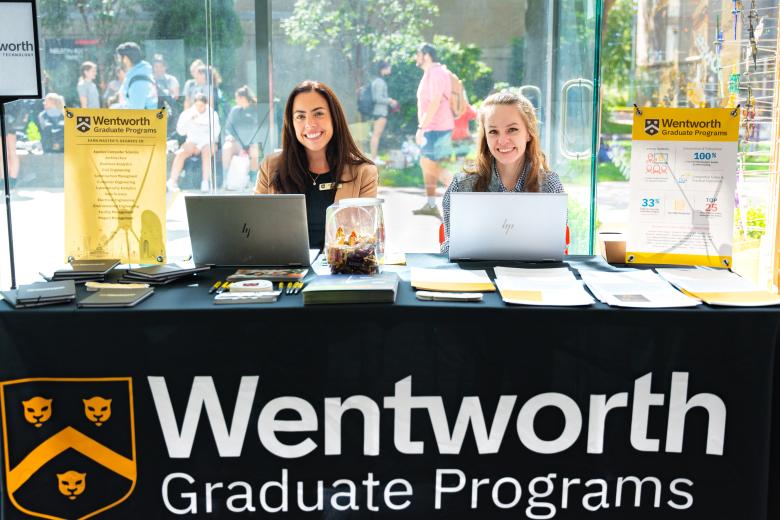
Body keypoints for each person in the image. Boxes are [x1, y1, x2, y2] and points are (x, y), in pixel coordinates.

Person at [254, 80, 377, 249]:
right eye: (300, 116)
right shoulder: (271, 166)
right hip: (286, 269)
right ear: (291, 123)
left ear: (334, 117)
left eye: (318, 114)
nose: (310, 124)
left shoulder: (364, 173)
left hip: (341, 269)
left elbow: (366, 240)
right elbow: (253, 229)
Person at [440, 91, 564, 254]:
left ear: (528, 133)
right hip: (479, 278)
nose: (502, 141)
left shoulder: (550, 186)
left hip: (533, 277)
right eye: (493, 131)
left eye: (512, 129)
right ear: (485, 137)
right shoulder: (461, 187)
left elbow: (556, 250)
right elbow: (451, 247)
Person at [413, 43, 454, 219]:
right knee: (428, 167)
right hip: (434, 127)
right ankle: (431, 204)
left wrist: (422, 127)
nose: (416, 57)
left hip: (437, 128)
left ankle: (459, 193)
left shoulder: (437, 73)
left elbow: (435, 102)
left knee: (427, 163)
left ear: (427, 55)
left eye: (418, 54)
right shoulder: (430, 73)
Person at [167, 93, 220, 193]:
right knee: (181, 153)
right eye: (197, 105)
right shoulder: (187, 113)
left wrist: (200, 146)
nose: (199, 108)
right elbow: (181, 132)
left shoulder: (212, 114)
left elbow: (215, 133)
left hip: (207, 142)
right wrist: (189, 119)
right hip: (192, 141)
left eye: (202, 106)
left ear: (206, 104)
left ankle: (205, 182)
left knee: (207, 151)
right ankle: (172, 181)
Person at [223, 85, 261, 174]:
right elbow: (228, 127)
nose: (236, 100)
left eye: (237, 98)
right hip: (238, 143)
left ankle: (253, 179)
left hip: (254, 142)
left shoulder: (256, 110)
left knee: (255, 150)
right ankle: (227, 178)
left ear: (243, 98)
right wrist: (230, 137)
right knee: (227, 147)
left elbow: (259, 130)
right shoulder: (234, 110)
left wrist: (249, 144)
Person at [369, 60, 397, 165]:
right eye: (389, 67)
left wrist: (389, 100)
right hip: (380, 112)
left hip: (379, 112)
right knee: (376, 135)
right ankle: (374, 158)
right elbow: (377, 98)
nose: (390, 69)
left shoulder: (378, 81)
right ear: (383, 69)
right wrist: (390, 101)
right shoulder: (379, 82)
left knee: (376, 135)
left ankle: (374, 157)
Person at [115, 42, 158, 109]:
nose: (119, 61)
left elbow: (136, 113)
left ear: (126, 59)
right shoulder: (138, 75)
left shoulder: (138, 82)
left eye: (119, 58)